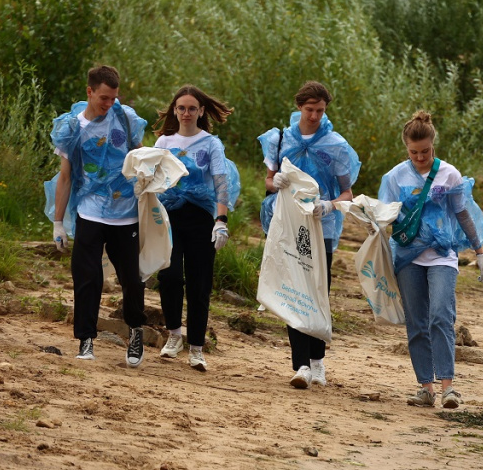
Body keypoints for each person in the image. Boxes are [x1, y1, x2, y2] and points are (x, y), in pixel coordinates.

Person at [378, 110, 483, 409]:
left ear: (433, 145)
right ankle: (425, 388)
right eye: (413, 152)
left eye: (425, 151)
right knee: (416, 321)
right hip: (407, 256)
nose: (420, 157)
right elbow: (384, 216)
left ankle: (449, 387)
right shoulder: (395, 177)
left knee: (441, 315)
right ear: (406, 148)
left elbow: (462, 213)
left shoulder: (449, 174)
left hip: (442, 254)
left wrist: (479, 252)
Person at [258, 81, 361, 389]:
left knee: (317, 290)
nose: (315, 116)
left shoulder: (336, 146)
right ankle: (300, 364)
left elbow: (348, 192)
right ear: (298, 107)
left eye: (320, 110)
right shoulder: (279, 139)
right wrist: (274, 181)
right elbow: (267, 180)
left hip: (321, 227)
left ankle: (318, 361)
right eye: (309, 109)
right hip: (288, 226)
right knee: (293, 289)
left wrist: (329, 205)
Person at [49, 65, 148, 366]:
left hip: (126, 213)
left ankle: (135, 331)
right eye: (104, 98)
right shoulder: (72, 128)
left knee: (132, 278)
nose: (109, 104)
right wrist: (58, 221)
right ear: (90, 92)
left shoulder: (126, 119)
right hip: (90, 211)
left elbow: (142, 158)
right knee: (87, 277)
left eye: (114, 98)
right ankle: (86, 339)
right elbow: (65, 177)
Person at [153, 85, 239, 372]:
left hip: (202, 217)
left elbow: (220, 182)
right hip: (169, 216)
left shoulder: (211, 144)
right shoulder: (164, 143)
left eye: (192, 108)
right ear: (174, 110)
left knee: (200, 283)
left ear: (201, 111)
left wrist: (221, 221)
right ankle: (174, 335)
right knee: (170, 275)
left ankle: (197, 348)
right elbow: (151, 180)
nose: (186, 113)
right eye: (181, 108)